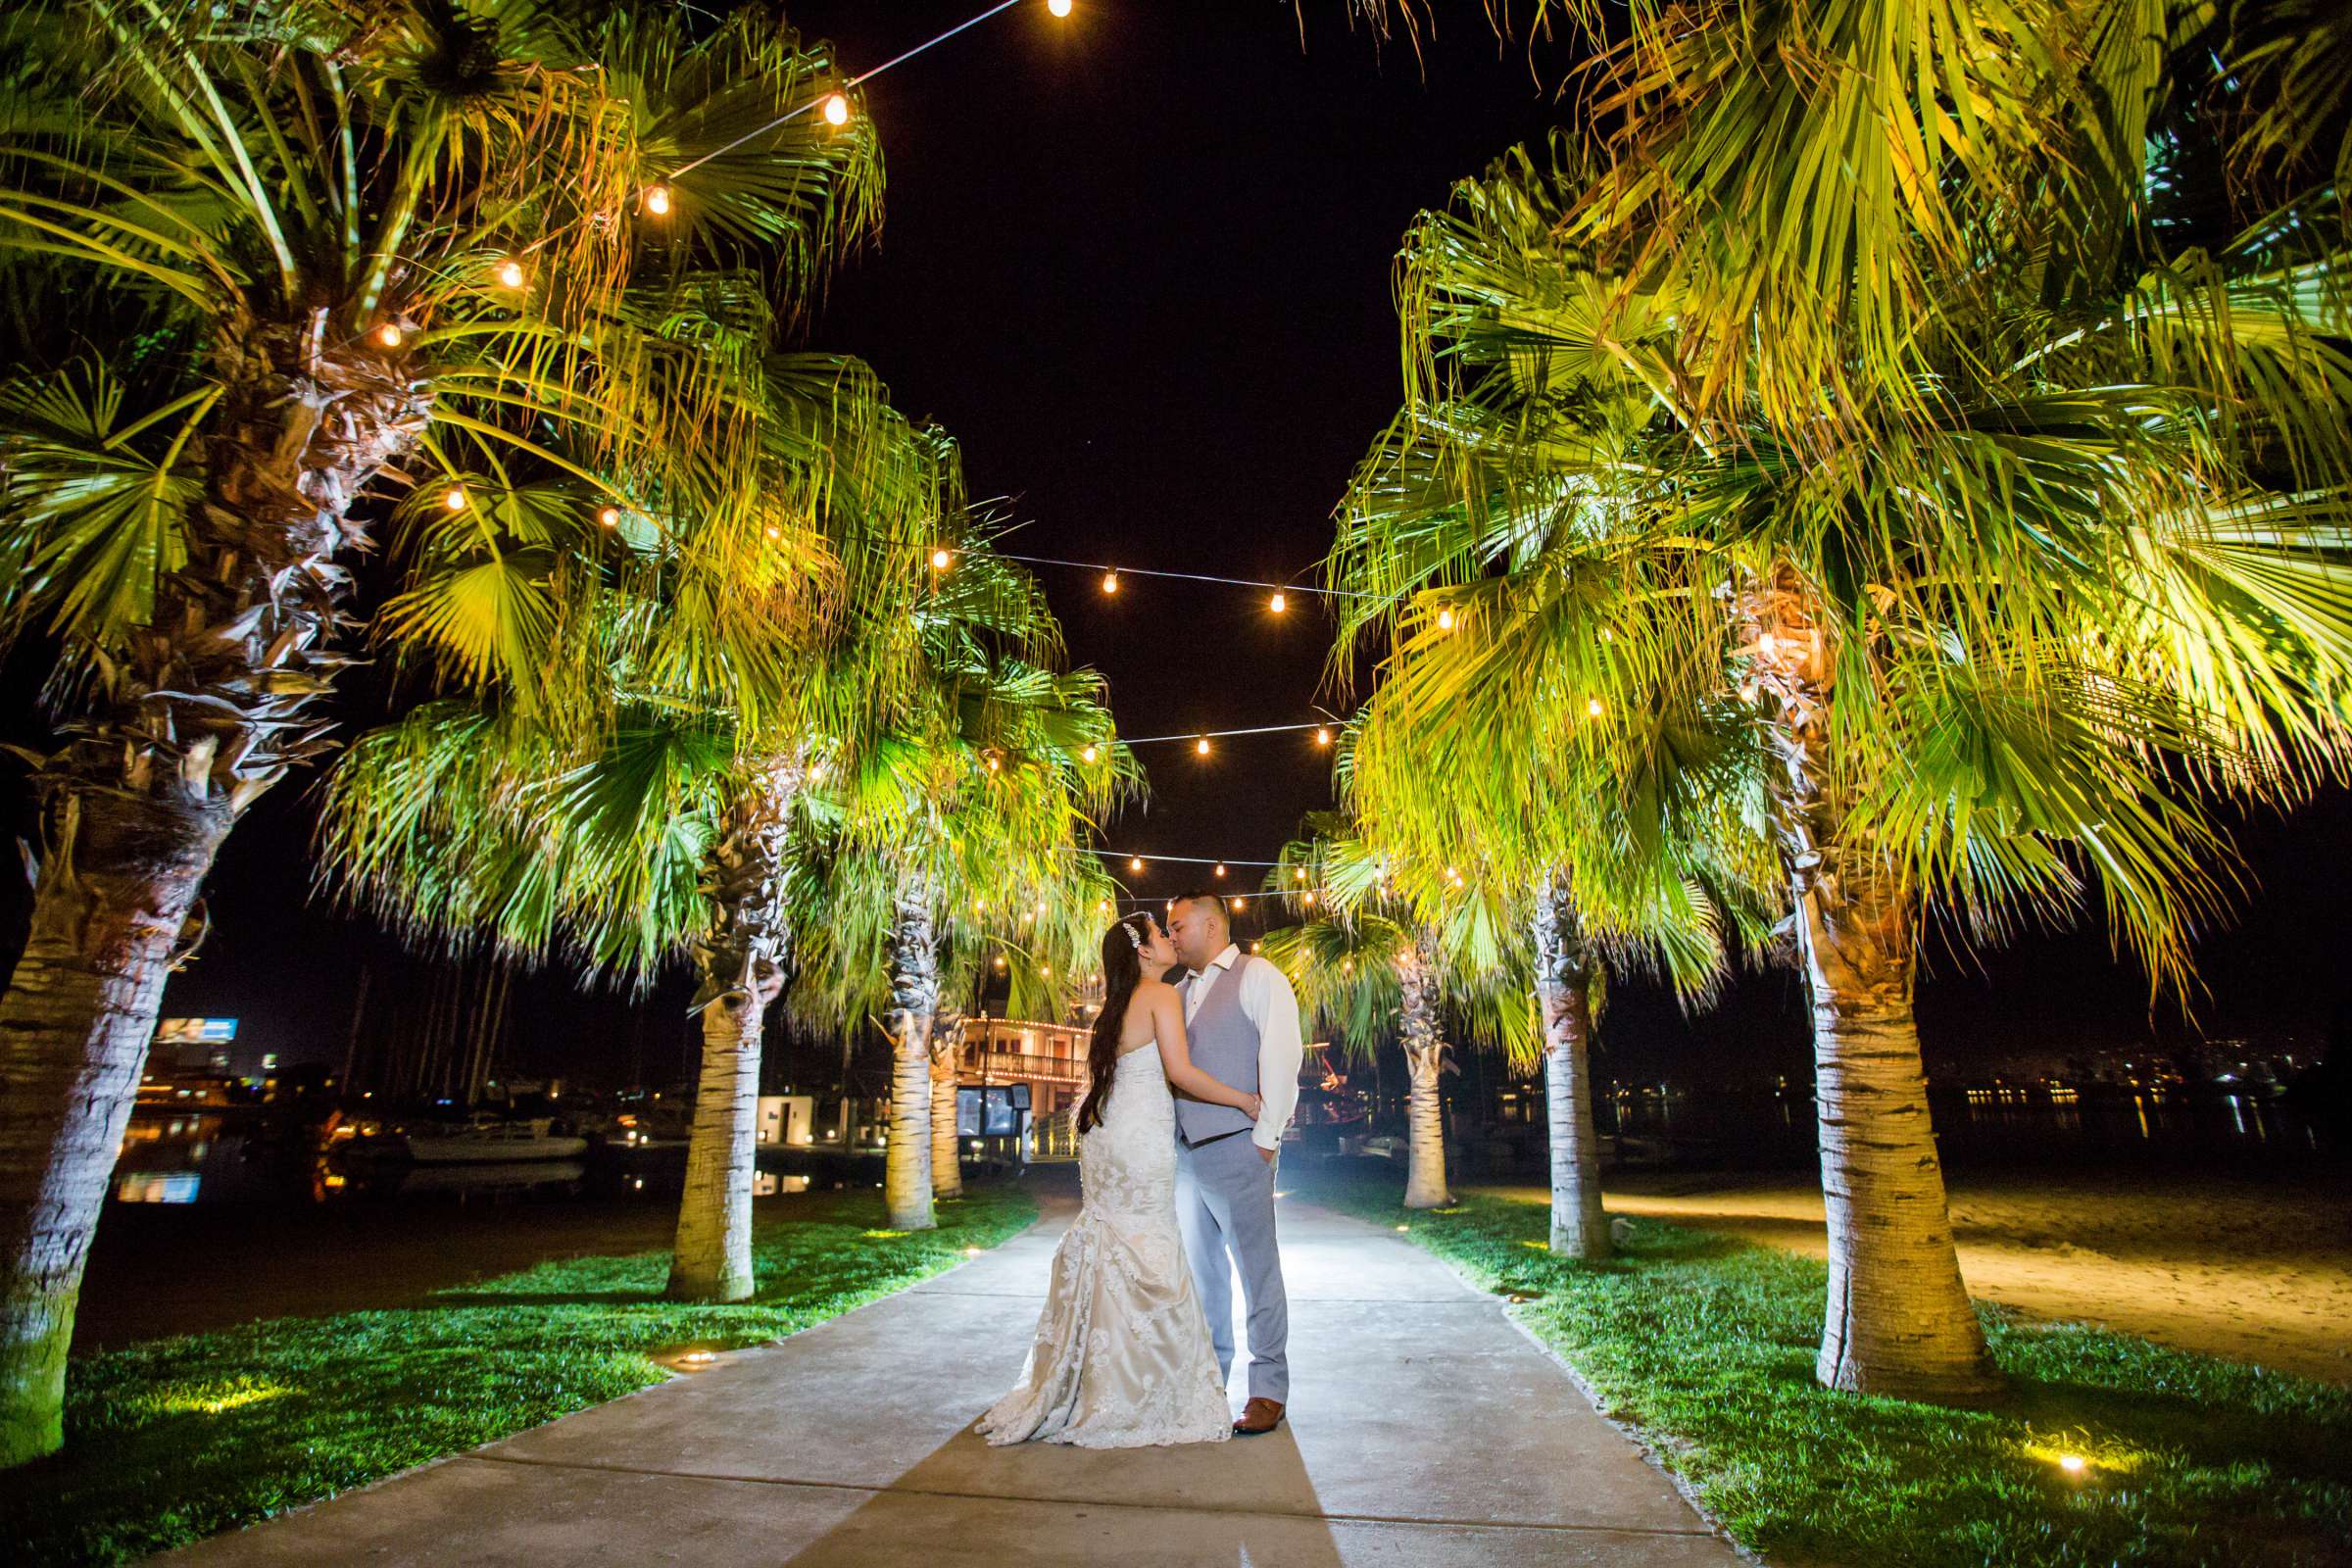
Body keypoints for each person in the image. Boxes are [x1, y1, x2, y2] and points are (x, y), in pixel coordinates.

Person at [977, 912, 1263, 1446]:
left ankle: (1096, 1382)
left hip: (1109, 1138)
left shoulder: (1111, 1010)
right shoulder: (1159, 996)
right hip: (1140, 1142)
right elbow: (1181, 1073)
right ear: (1144, 954)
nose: (1169, 939)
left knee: (1116, 1239)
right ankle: (1144, 1388)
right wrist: (1243, 1098)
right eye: (1160, 934)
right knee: (1150, 1245)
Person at [1164, 890, 1303, 1437]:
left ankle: (1268, 1389)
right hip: (1185, 1153)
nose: (1171, 935)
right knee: (1203, 1275)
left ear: (1212, 925)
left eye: (1178, 926)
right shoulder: (1173, 993)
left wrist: (1266, 1138)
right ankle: (1211, 1378)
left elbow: (1282, 1054)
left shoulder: (1257, 975)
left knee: (1256, 1272)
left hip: (1239, 1143)